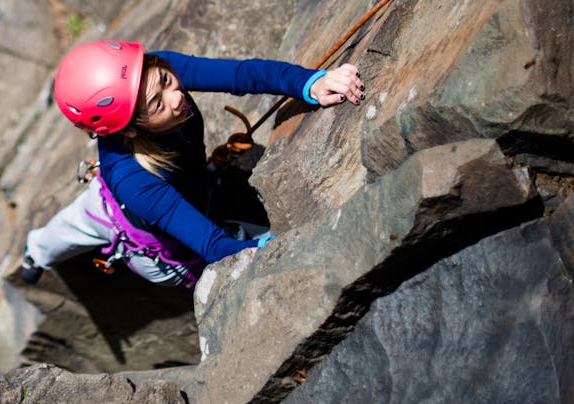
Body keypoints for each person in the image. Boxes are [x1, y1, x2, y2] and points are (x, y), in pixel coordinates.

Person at [21, 39, 363, 288]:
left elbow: (244, 74)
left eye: (167, 83)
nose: (176, 96)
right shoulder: (131, 178)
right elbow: (215, 247)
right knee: (78, 221)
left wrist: (310, 82)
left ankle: (38, 249)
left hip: (169, 187)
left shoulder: (152, 72)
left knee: (80, 218)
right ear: (128, 128)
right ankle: (35, 254)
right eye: (157, 104)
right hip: (155, 245)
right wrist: (287, 246)